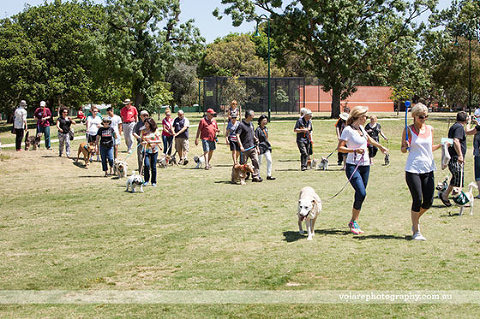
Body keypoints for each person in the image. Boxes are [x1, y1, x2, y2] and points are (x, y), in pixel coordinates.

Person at [337, 106, 388, 235]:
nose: (366, 118)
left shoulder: (361, 129)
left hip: (365, 165)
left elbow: (368, 139)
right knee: (362, 192)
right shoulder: (348, 130)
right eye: (364, 116)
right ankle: (354, 221)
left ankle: (353, 221)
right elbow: (340, 148)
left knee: (360, 194)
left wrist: (380, 146)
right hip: (352, 166)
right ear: (358, 116)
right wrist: (354, 150)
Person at [401, 103, 441, 241]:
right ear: (414, 116)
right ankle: (416, 230)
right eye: (421, 116)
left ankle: (414, 219)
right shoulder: (408, 130)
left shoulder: (430, 129)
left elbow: (430, 148)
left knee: (428, 201)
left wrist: (442, 145)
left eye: (426, 116)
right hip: (413, 169)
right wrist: (405, 146)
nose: (424, 119)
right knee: (417, 199)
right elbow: (402, 149)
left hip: (428, 168)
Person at [440, 111, 469, 207]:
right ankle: (454, 198)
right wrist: (460, 155)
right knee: (458, 177)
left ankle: (449, 196)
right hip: (455, 157)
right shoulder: (459, 127)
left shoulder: (454, 126)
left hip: (453, 157)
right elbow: (456, 141)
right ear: (465, 119)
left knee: (456, 178)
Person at [236, 109, 262, 182]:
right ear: (249, 116)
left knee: (256, 161)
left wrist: (256, 141)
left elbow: (252, 134)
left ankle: (255, 176)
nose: (254, 116)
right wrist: (240, 146)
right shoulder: (241, 125)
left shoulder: (251, 124)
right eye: (253, 115)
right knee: (243, 164)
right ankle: (243, 177)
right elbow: (237, 135)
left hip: (252, 147)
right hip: (244, 148)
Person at [140, 118, 162, 186]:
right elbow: (141, 140)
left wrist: (152, 142)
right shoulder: (143, 131)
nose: (145, 125)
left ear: (150, 124)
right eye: (145, 123)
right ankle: (146, 180)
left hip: (154, 150)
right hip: (145, 150)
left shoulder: (155, 131)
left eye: (147, 123)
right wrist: (142, 142)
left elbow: (159, 141)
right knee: (146, 165)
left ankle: (153, 181)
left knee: (153, 166)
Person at [255, 114, 275, 180]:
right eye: (263, 120)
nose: (265, 122)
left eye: (266, 120)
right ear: (260, 121)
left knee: (269, 160)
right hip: (260, 147)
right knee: (259, 162)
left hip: (266, 146)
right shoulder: (258, 130)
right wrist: (257, 148)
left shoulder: (266, 128)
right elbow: (256, 139)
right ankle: (258, 175)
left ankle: (269, 175)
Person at [466, 113, 480, 197]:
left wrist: (469, 122)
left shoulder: (478, 128)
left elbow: (467, 132)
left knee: (478, 174)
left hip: (478, 153)